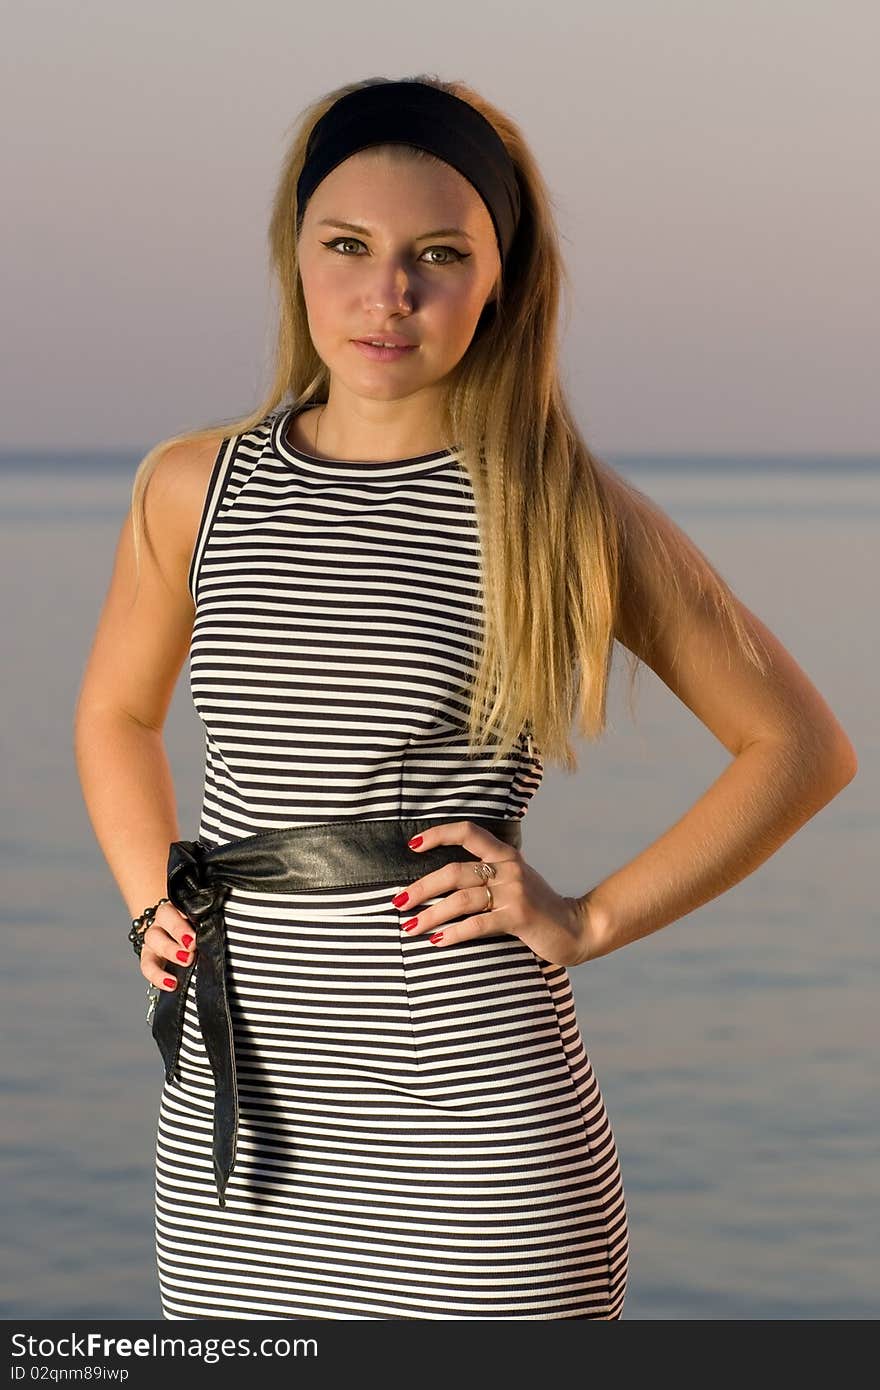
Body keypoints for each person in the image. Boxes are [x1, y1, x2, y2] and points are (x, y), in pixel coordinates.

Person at [73, 74, 857, 1322]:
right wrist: (143, 905)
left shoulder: (554, 504)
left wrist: (589, 920)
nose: (388, 293)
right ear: (296, 256)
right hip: (240, 1148)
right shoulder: (193, 486)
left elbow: (799, 747)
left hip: (479, 1147)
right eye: (349, 246)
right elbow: (116, 714)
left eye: (437, 254)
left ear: (499, 278)